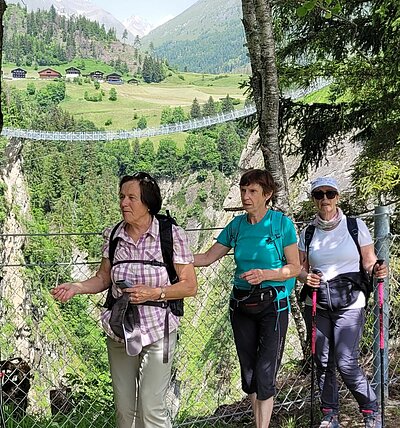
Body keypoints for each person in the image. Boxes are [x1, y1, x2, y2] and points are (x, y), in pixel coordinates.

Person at [51, 172, 197, 428]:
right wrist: (76, 287)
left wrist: (156, 293)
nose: (123, 203)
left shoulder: (171, 235)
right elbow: (103, 278)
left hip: (159, 329)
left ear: (148, 202)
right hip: (120, 330)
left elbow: (189, 285)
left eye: (131, 198)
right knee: (125, 411)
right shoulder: (114, 235)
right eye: (121, 197)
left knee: (152, 407)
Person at [194, 168, 300, 428]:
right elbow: (207, 259)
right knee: (250, 374)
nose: (246, 196)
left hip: (273, 305)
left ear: (267, 194)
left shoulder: (280, 225)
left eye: (252, 191)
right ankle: (258, 423)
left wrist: (266, 274)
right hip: (241, 304)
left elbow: (294, 267)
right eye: (243, 190)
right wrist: (173, 258)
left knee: (265, 374)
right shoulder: (237, 226)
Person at [297, 177, 388, 428]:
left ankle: (371, 411)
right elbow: (299, 268)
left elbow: (368, 261)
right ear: (314, 199)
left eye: (329, 193)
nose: (324, 199)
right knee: (323, 360)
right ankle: (330, 415)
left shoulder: (355, 226)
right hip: (318, 301)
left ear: (337, 197)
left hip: (350, 300)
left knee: (346, 361)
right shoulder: (308, 231)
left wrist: (377, 270)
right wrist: (308, 278)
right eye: (319, 195)